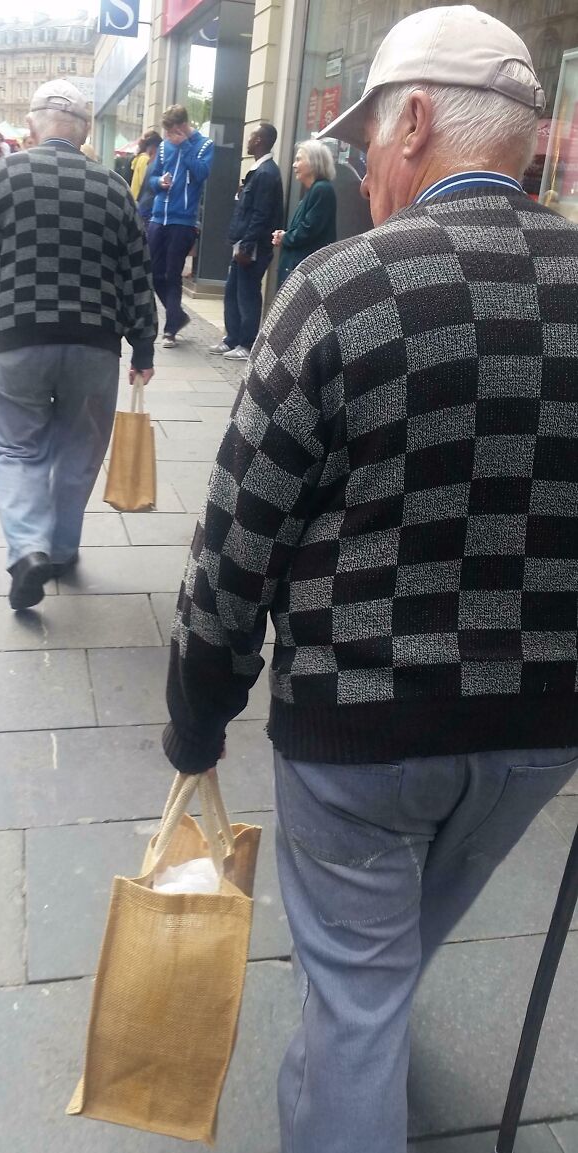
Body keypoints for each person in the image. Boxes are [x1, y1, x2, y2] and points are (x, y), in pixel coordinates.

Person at [161, 7, 578, 1153]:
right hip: (539, 729)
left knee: (352, 988)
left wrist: (198, 711)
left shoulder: (342, 288)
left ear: (416, 121)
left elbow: (239, 532)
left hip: (361, 723)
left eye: (364, 143)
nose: (360, 170)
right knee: (396, 945)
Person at [0, 79, 157, 612]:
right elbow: (137, 274)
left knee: (16, 447)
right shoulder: (112, 186)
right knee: (79, 449)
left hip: (19, 336)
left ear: (32, 123)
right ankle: (61, 550)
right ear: (85, 131)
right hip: (95, 342)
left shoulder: (1, 174)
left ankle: (28, 549)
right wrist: (143, 344)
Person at [210, 123, 283, 362]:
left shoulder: (266, 173)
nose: (248, 140)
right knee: (233, 292)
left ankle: (247, 343)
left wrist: (246, 246)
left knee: (247, 294)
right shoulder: (259, 171)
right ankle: (232, 338)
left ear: (260, 140)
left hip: (252, 246)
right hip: (243, 242)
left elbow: (261, 215)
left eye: (252, 136)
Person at [145, 104, 214, 348]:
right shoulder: (165, 146)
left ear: (183, 126)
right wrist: (159, 182)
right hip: (158, 218)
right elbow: (152, 178)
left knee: (172, 274)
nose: (168, 136)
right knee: (153, 273)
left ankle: (170, 329)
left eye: (172, 131)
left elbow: (202, 173)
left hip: (182, 220)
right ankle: (177, 316)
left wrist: (184, 146)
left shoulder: (204, 145)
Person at [272, 139, 336, 286]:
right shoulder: (314, 190)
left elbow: (308, 230)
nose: (294, 165)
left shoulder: (322, 190)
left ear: (314, 162)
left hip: (306, 273)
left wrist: (285, 237)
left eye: (299, 159)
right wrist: (286, 235)